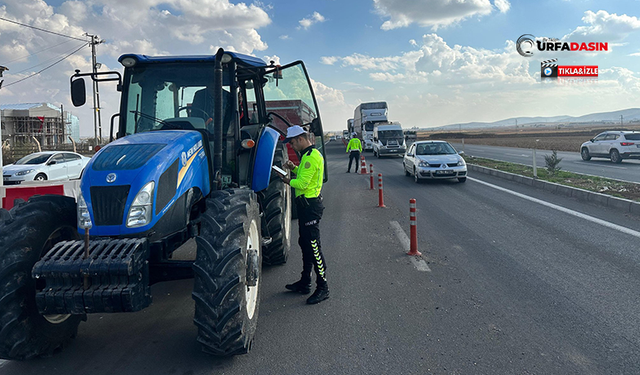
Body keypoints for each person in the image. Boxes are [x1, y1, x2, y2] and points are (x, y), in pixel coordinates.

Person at [279, 125, 329, 304]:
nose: (291, 146)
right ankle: (305, 281)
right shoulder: (308, 156)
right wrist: (294, 167)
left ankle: (323, 287)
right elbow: (304, 174)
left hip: (311, 208)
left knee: (314, 248)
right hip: (306, 207)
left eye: (292, 142)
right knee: (305, 244)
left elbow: (302, 183)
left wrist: (287, 179)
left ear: (300, 139)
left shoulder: (311, 157)